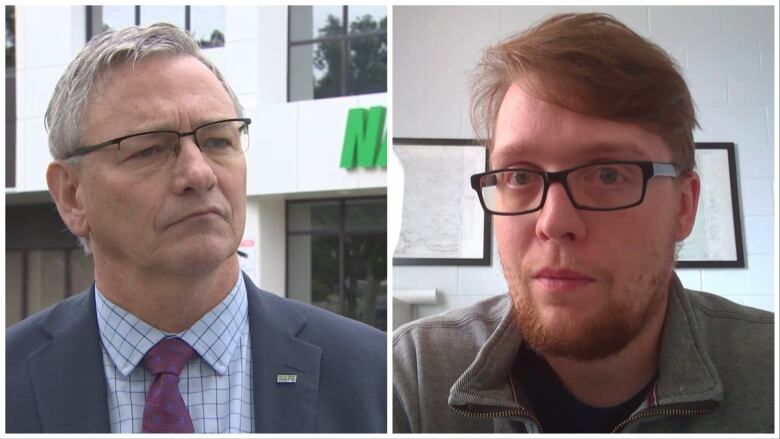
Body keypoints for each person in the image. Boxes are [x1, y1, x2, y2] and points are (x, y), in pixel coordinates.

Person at [393, 13, 774, 433]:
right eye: (520, 176)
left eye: (608, 175)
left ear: (683, 207)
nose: (554, 223)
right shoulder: (412, 377)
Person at [6, 23, 386, 434]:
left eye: (219, 141)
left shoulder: (372, 374)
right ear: (72, 195)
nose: (199, 174)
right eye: (149, 148)